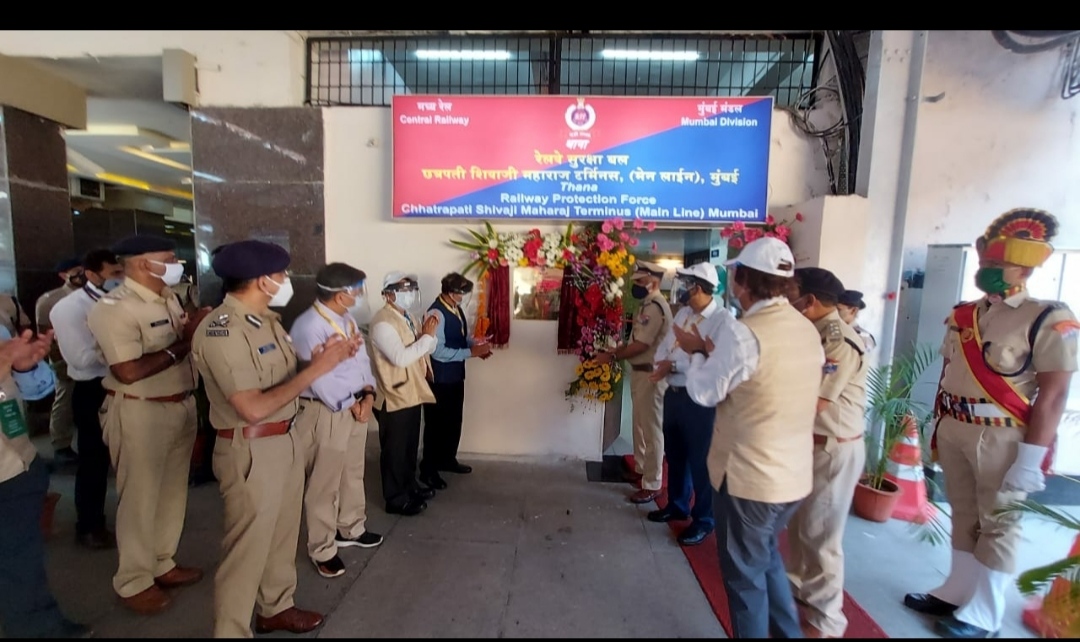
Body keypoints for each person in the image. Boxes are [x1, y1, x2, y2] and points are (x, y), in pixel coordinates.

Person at [904, 208, 1078, 639]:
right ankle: (958, 589)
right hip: (957, 425)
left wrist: (1033, 456)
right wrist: (936, 420)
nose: (988, 272)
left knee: (999, 524)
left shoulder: (1048, 317)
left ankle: (985, 611)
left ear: (1026, 266)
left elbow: (1054, 393)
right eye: (984, 264)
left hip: (1004, 436)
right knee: (964, 514)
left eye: (997, 266)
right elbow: (948, 374)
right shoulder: (965, 314)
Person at [193, 240, 358, 638]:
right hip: (251, 447)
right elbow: (250, 406)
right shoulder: (222, 329)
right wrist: (317, 369)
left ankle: (275, 607)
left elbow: (279, 382)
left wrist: (317, 360)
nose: (285, 281)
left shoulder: (265, 320)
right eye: (281, 275)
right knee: (247, 549)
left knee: (283, 536)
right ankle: (231, 631)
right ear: (261, 280)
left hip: (284, 439)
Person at [677, 237, 824, 638]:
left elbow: (705, 391)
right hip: (792, 479)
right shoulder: (806, 329)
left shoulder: (745, 334)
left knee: (744, 581)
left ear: (743, 280)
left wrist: (695, 353)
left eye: (735, 275)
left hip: (750, 480)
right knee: (767, 561)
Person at [86, 234, 207, 615]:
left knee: (172, 492)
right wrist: (185, 343)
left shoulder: (167, 298)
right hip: (140, 410)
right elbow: (128, 371)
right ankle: (133, 580)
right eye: (168, 259)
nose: (177, 265)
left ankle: (162, 562)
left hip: (180, 404)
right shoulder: (115, 308)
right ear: (140, 264)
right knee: (139, 498)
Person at [787, 267, 869, 639]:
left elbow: (815, 400)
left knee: (822, 536)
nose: (787, 297)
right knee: (802, 526)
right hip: (809, 444)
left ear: (810, 300)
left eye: (791, 291)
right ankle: (803, 590)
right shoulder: (811, 332)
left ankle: (827, 620)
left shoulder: (838, 340)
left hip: (832, 448)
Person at [290, 262, 384, 581]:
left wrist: (368, 394)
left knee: (352, 472)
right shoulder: (308, 326)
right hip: (326, 411)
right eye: (356, 290)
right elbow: (318, 379)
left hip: (356, 405)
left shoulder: (346, 319)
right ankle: (323, 548)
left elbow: (361, 360)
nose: (359, 295)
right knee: (323, 484)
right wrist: (352, 403)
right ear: (340, 294)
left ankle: (351, 527)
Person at [0, 326, 91, 638]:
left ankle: (38, 622)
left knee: (22, 556)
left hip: (15, 462)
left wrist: (25, 367)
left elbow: (34, 390)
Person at [646, 262, 733, 545]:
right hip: (675, 394)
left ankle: (704, 519)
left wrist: (673, 365)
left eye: (684, 283)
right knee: (676, 454)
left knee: (701, 462)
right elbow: (665, 347)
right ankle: (678, 505)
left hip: (701, 401)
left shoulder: (722, 320)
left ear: (696, 287)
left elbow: (712, 360)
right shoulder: (683, 313)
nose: (679, 288)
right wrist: (665, 364)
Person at [49, 249, 125, 550]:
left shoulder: (121, 301)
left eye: (121, 272)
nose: (119, 279)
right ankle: (89, 524)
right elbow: (80, 359)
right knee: (93, 460)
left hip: (124, 386)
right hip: (92, 389)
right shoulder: (69, 308)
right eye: (113, 274)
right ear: (91, 274)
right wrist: (125, 354)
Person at [596, 261, 672, 504]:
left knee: (651, 431)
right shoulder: (646, 305)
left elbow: (642, 345)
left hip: (651, 375)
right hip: (640, 373)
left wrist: (612, 356)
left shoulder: (656, 307)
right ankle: (640, 468)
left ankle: (652, 482)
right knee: (639, 425)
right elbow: (636, 340)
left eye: (640, 281)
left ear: (654, 281)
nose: (636, 286)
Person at [369, 272, 439, 516]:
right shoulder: (383, 323)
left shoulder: (407, 316)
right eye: (403, 290)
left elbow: (427, 346)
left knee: (409, 446)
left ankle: (409, 487)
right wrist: (427, 338)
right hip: (394, 395)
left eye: (411, 290)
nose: (409, 295)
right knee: (395, 450)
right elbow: (400, 358)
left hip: (411, 390)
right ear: (388, 294)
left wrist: (428, 338)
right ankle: (395, 498)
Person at [419, 272, 492, 490]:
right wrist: (470, 353)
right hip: (439, 378)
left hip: (455, 376)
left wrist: (476, 345)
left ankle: (447, 459)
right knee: (435, 425)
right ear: (451, 293)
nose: (464, 297)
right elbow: (438, 351)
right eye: (462, 293)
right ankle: (428, 470)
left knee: (453, 421)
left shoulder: (455, 309)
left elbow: (461, 338)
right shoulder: (436, 313)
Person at [35, 257, 84, 465]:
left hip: (91, 357)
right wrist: (57, 362)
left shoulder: (94, 295)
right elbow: (44, 334)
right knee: (64, 400)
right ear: (63, 275)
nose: (81, 274)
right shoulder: (50, 299)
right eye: (76, 271)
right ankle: (61, 444)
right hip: (64, 358)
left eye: (83, 270)